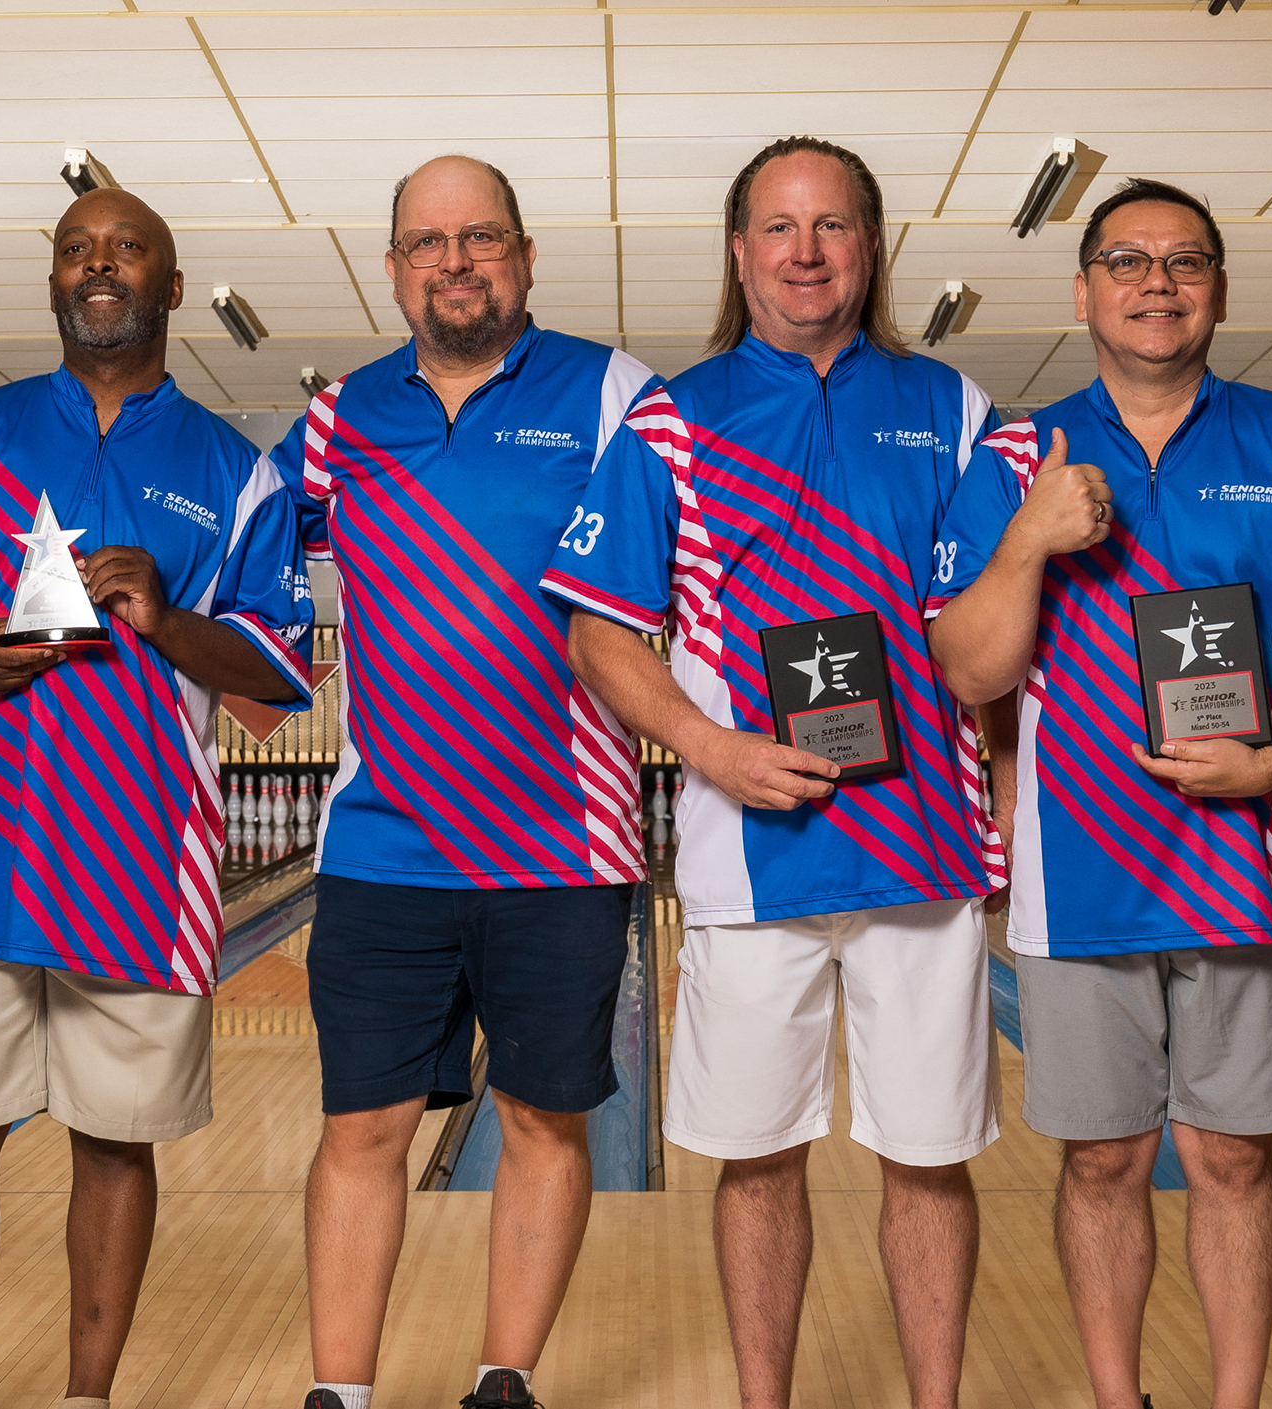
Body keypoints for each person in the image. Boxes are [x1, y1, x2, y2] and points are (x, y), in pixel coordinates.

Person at [928, 177, 1272, 1409]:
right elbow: (966, 663)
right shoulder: (1010, 453)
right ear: (1085, 289)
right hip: (1077, 866)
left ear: (1216, 287)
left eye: (1185, 260)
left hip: (1248, 860)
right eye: (1128, 260)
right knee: (1101, 1158)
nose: (1158, 282)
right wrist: (1029, 537)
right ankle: (1117, 1397)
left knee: (1229, 1154)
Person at [544, 136, 1003, 1409]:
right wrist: (712, 748)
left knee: (929, 1159)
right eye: (780, 228)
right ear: (741, 252)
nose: (807, 252)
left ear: (870, 246)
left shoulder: (954, 410)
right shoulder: (671, 420)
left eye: (834, 225)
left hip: (926, 852)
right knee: (756, 1159)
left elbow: (993, 629)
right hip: (749, 854)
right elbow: (599, 632)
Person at [0, 186, 314, 1409]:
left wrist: (171, 619)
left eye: (126, 252)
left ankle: (85, 1398)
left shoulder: (237, 469)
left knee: (115, 1143)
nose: (97, 267)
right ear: (54, 282)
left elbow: (279, 674)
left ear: (170, 286)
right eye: (75, 250)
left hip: (139, 866)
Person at [265, 154, 655, 1409]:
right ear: (392, 269)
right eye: (427, 243)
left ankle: (505, 1378)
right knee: (362, 1127)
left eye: (481, 237)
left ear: (526, 254)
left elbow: (693, 576)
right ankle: (343, 1390)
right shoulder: (336, 421)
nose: (455, 260)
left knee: (545, 1116)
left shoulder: (615, 396)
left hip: (564, 844)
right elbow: (254, 578)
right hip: (382, 846)